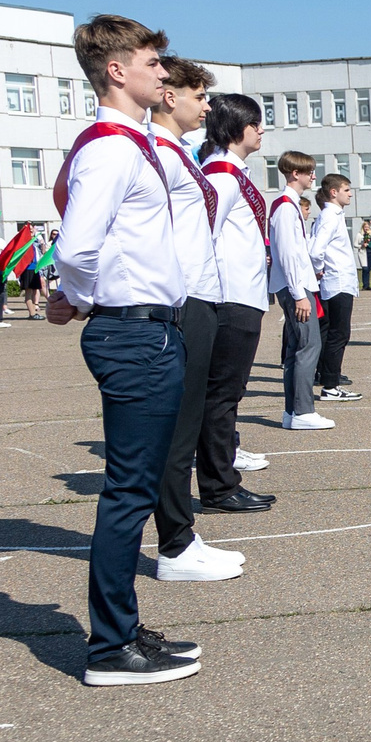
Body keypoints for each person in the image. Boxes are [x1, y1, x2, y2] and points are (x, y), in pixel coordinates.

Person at [46, 13, 203, 686]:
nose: (162, 73)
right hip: (132, 331)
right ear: (116, 70)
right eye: (151, 62)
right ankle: (110, 647)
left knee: (132, 490)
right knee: (128, 492)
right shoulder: (110, 147)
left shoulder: (129, 143)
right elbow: (76, 246)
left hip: (148, 328)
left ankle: (121, 627)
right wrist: (79, 295)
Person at [138, 58, 246, 584]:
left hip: (200, 296)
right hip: (180, 299)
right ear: (169, 97)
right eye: (198, 95)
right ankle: (175, 545)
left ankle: (181, 537)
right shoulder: (155, 152)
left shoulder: (180, 154)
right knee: (177, 432)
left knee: (188, 422)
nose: (207, 106)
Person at [194, 93, 278, 513]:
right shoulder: (223, 174)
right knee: (221, 396)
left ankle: (221, 480)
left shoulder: (234, 172)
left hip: (244, 294)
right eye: (255, 122)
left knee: (227, 394)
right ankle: (219, 486)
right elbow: (202, 232)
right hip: (229, 296)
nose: (261, 130)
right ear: (235, 129)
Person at [265, 150, 329, 428]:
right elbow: (288, 254)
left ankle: (294, 411)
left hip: (298, 285)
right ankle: (303, 410)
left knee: (297, 347)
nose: (313, 176)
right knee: (308, 345)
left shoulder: (288, 205)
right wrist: (299, 294)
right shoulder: (284, 207)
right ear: (295, 174)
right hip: (296, 288)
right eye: (309, 171)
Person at [311, 172, 362, 399]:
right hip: (337, 282)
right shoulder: (330, 216)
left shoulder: (335, 215)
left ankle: (329, 378)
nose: (350, 194)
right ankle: (330, 385)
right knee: (338, 334)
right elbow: (315, 250)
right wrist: (319, 267)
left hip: (340, 281)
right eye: (346, 190)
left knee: (336, 333)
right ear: (334, 192)